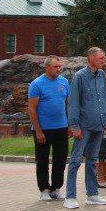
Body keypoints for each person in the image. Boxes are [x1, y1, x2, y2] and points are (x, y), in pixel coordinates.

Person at [64, 47, 106, 209]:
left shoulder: (101, 76)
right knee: (76, 160)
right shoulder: (80, 77)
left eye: (103, 58)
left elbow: (104, 99)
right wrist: (75, 125)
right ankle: (70, 196)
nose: (103, 60)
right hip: (83, 126)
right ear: (91, 58)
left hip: (99, 124)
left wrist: (105, 120)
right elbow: (74, 102)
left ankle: (92, 194)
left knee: (92, 161)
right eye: (100, 58)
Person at [27, 55, 69, 201]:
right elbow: (32, 109)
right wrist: (38, 130)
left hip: (61, 127)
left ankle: (56, 188)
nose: (58, 69)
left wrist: (69, 124)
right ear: (46, 67)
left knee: (61, 159)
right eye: (55, 67)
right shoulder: (37, 84)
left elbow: (67, 103)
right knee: (42, 159)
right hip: (43, 128)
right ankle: (44, 189)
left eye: (59, 66)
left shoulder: (64, 82)